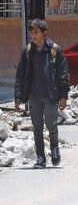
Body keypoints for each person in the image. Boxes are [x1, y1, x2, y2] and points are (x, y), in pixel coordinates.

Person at [14, 19, 70, 168]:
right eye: (31, 33)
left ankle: (55, 149)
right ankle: (40, 158)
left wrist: (64, 96)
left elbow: (63, 74)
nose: (33, 35)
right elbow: (20, 74)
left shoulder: (55, 50)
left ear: (44, 33)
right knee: (37, 127)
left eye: (36, 32)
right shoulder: (27, 52)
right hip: (34, 96)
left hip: (51, 95)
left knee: (51, 124)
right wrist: (18, 98)